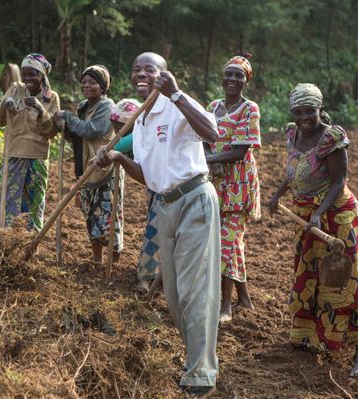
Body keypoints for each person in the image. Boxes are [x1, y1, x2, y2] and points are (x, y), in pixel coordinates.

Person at [96, 52, 220, 398]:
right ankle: (197, 359)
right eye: (136, 69)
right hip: (163, 207)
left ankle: (201, 374)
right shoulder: (140, 122)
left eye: (149, 69)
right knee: (176, 297)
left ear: (163, 74)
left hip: (195, 199)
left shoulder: (175, 103)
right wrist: (119, 157)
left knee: (197, 290)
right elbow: (150, 178)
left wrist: (177, 94)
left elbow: (212, 132)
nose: (141, 74)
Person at [268, 83, 358, 377]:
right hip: (308, 218)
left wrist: (319, 213)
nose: (304, 116)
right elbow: (294, 171)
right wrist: (278, 193)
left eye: (310, 111)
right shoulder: (292, 133)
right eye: (298, 111)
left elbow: (339, 181)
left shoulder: (332, 137)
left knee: (346, 279)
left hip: (337, 218)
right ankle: (310, 337)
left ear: (320, 110)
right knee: (310, 275)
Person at [0, 53, 59, 238]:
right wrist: (5, 105)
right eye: (25, 74)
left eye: (33, 74)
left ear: (42, 76)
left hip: (37, 157)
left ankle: (29, 245)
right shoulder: (15, 89)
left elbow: (51, 131)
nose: (28, 78)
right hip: (13, 153)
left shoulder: (51, 97)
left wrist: (41, 110)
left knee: (33, 201)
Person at [205, 55, 261, 323]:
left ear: (246, 80)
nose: (232, 79)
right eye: (229, 73)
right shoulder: (212, 106)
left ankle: (225, 306)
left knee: (226, 242)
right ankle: (245, 299)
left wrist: (211, 160)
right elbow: (201, 136)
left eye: (239, 75)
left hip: (238, 184)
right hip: (215, 183)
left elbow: (240, 151)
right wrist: (210, 157)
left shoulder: (250, 109)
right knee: (231, 242)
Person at [55, 65, 122, 264]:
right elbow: (78, 134)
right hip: (85, 166)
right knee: (90, 215)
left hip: (103, 166)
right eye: (84, 82)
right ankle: (97, 260)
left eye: (92, 82)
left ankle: (113, 261)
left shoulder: (107, 106)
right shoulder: (84, 106)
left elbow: (92, 130)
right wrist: (65, 128)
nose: (86, 85)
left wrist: (68, 116)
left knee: (107, 217)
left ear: (102, 87)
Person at [111, 99, 160, 293]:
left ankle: (152, 278)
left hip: (173, 186)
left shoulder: (141, 132)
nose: (118, 132)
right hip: (155, 187)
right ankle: (148, 275)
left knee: (158, 232)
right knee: (153, 231)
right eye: (115, 128)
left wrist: (112, 151)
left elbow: (121, 144)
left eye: (121, 128)